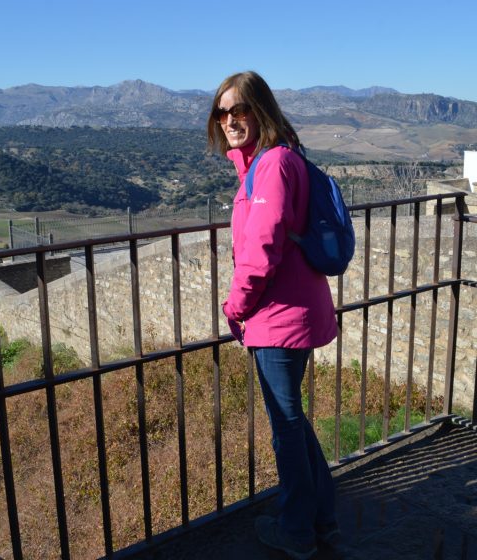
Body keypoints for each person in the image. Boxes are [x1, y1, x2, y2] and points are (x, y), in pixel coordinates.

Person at [207, 71, 339, 560]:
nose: (230, 120)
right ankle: (322, 520)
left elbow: (260, 253)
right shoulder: (264, 164)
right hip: (289, 314)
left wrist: (234, 308)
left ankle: (298, 533)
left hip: (278, 320)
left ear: (259, 109)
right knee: (294, 423)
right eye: (222, 112)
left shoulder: (273, 166)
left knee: (285, 428)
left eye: (239, 109)